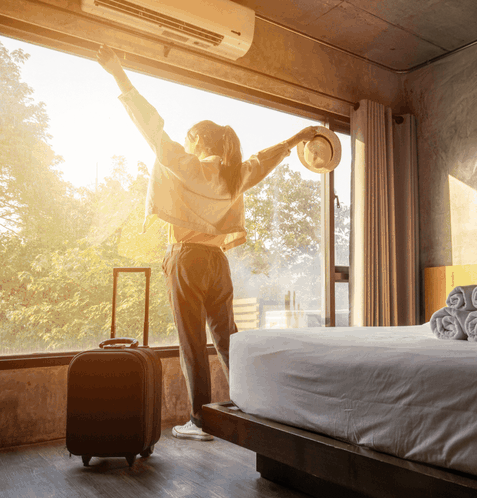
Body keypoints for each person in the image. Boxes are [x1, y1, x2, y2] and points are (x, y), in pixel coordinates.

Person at [96, 45, 319, 441]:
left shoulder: (188, 165)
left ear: (198, 140)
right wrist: (297, 137)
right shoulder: (234, 176)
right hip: (218, 262)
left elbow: (150, 127)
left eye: (188, 138)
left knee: (192, 342)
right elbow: (266, 159)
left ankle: (199, 419)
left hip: (187, 260)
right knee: (227, 337)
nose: (185, 143)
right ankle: (247, 405)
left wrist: (119, 75)